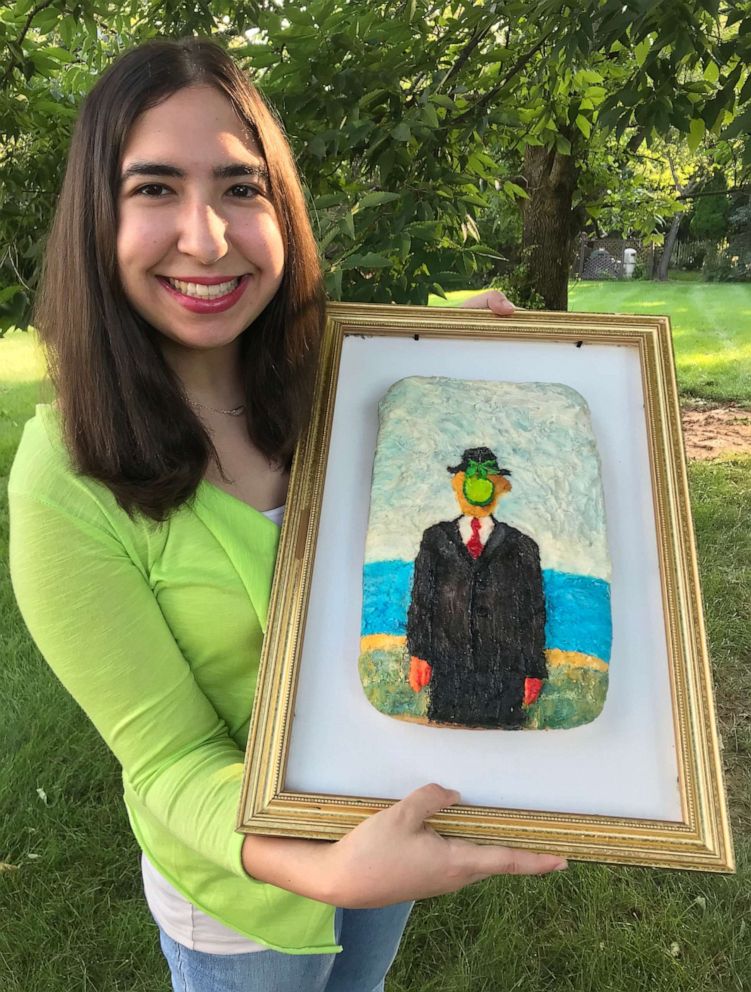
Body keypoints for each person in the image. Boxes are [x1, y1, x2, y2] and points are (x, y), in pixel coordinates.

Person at [8, 38, 566, 992]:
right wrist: (315, 867)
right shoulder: (63, 477)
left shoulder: (353, 393)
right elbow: (171, 758)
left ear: (281, 209)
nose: (206, 237)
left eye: (239, 187)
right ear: (95, 219)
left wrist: (462, 356)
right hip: (240, 893)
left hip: (390, 821)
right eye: (153, 189)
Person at [407, 447, 547, 728]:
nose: (479, 486)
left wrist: (533, 670)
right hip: (450, 671)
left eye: (488, 479)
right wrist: (419, 654)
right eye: (472, 477)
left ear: (500, 487)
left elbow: (534, 613)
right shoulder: (435, 539)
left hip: (503, 674)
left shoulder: (522, 546)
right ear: (458, 483)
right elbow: (422, 600)